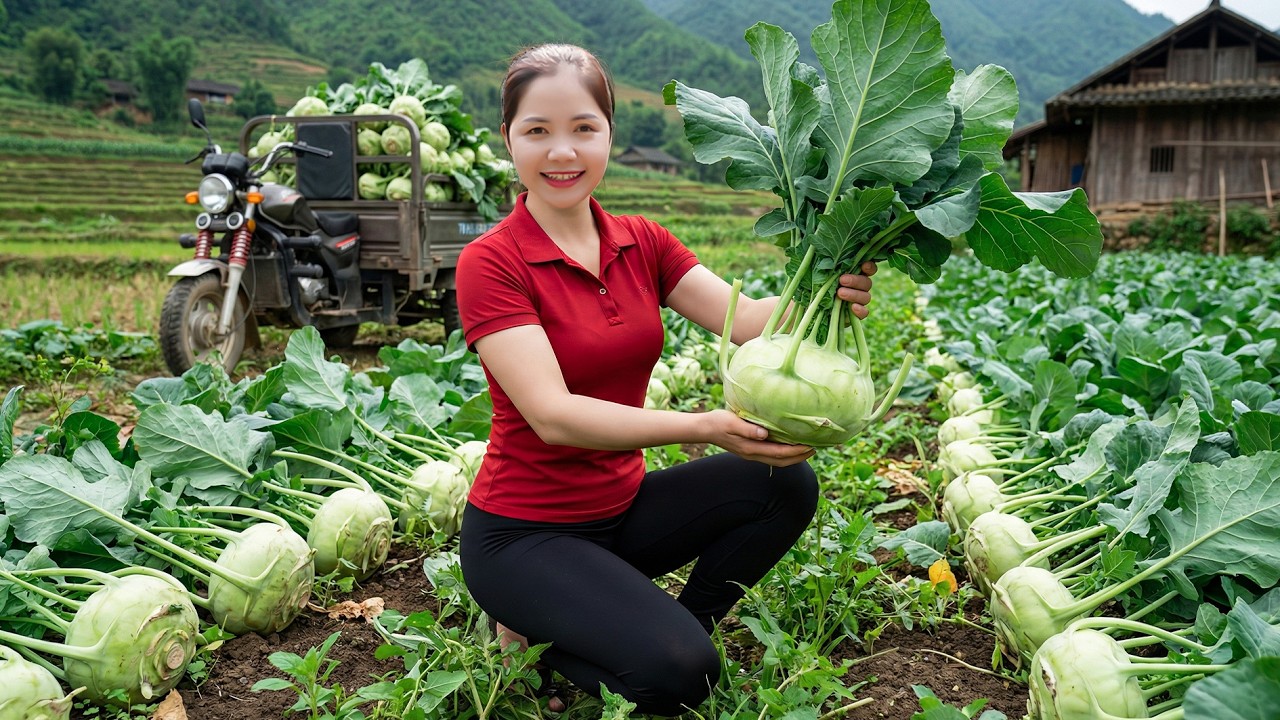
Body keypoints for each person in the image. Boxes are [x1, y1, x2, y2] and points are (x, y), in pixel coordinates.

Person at [455, 43, 876, 717]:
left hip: (618, 515)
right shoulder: (492, 262)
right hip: (522, 535)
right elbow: (553, 415)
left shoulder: (641, 241)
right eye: (537, 131)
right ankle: (535, 629)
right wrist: (707, 426)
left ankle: (675, 628)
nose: (561, 152)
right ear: (508, 138)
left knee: (783, 485)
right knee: (681, 678)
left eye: (583, 129)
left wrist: (832, 286)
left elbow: (751, 324)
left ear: (610, 134)